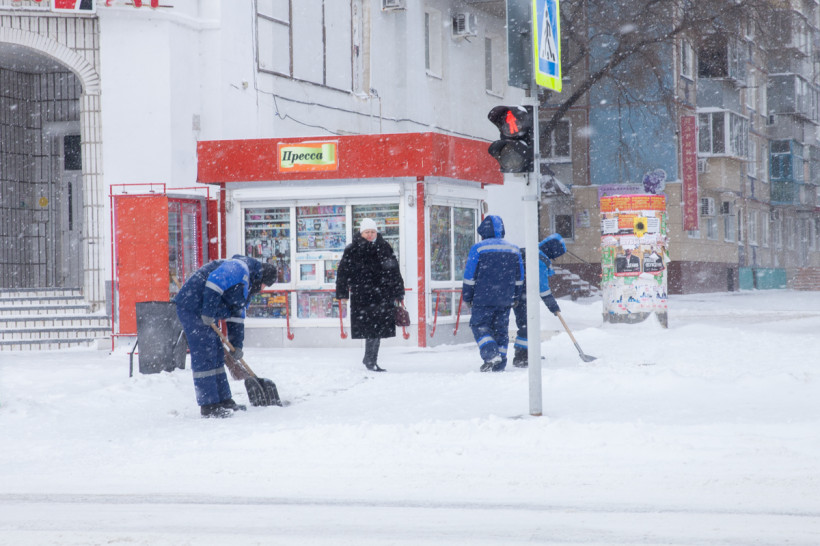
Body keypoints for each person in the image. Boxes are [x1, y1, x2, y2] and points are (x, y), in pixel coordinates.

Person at [174, 255, 277, 418]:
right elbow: (214, 283)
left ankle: (224, 400)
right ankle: (209, 404)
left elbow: (236, 316)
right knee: (205, 354)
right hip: (192, 307)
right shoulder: (239, 267)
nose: (263, 289)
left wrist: (237, 346)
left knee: (216, 353)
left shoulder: (248, 287)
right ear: (261, 277)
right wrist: (208, 312)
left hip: (206, 311)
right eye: (265, 285)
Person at [335, 218, 405, 372]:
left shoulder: (384, 247)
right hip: (364, 295)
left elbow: (394, 270)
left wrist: (399, 291)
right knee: (371, 330)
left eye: (373, 231)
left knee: (377, 330)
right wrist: (342, 292)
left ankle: (371, 359)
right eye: (367, 232)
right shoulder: (352, 249)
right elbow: (343, 272)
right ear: (362, 232)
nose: (370, 235)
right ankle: (370, 360)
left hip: (383, 295)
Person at [462, 215, 524, 372]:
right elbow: (519, 277)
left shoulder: (478, 248)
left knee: (480, 326)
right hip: (505, 299)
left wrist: (467, 296)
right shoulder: (514, 249)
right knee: (501, 330)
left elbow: (470, 276)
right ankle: (500, 363)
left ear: (484, 231)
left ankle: (491, 355)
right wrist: (515, 296)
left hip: (482, 298)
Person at [511, 234, 567, 368]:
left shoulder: (530, 251)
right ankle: (521, 357)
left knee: (527, 324)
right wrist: (552, 305)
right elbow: (542, 288)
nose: (554, 258)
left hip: (518, 294)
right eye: (555, 255)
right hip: (525, 296)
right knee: (527, 324)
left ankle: (529, 353)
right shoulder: (539, 259)